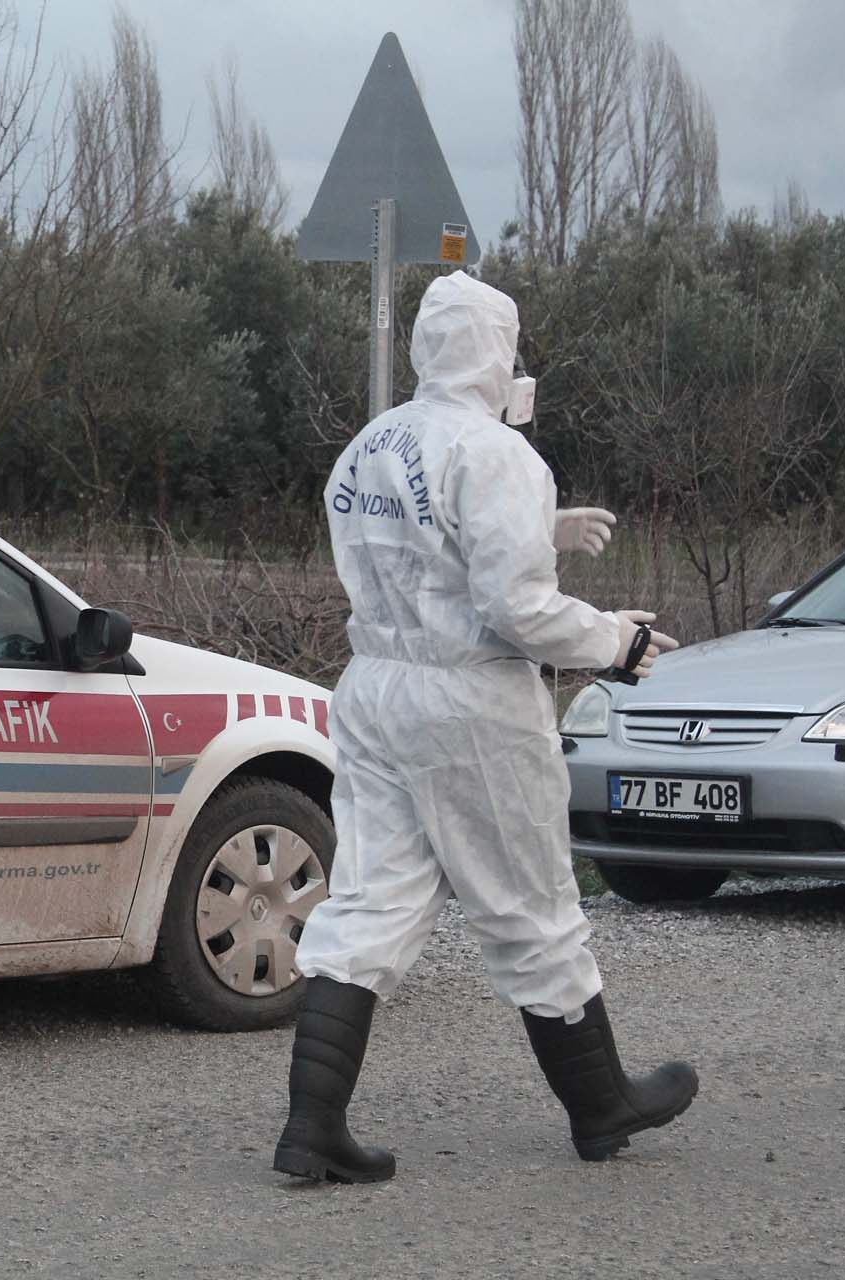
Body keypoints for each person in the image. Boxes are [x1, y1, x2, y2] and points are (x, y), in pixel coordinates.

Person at [272, 271, 698, 1184]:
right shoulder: (498, 452)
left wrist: (540, 523)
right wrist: (614, 642)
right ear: (497, 350)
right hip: (473, 702)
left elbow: (422, 547)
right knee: (531, 910)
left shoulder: (368, 445)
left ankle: (312, 1127)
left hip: (378, 690)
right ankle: (601, 1105)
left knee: (367, 903)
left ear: (428, 345)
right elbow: (516, 609)